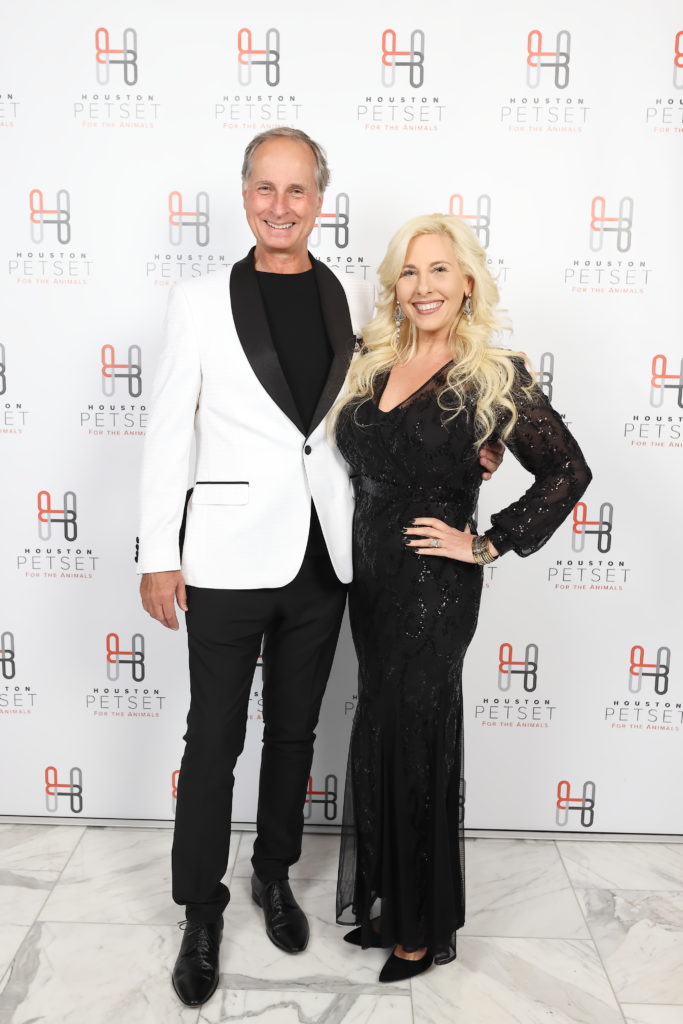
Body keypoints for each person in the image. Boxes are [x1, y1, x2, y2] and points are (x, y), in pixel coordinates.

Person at [138, 129, 505, 1006]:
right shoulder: (197, 301)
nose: (280, 205)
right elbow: (167, 432)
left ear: (318, 201)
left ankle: (273, 875)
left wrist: (476, 450)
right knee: (213, 739)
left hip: (324, 558)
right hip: (223, 555)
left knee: (295, 734)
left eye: (297, 190)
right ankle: (200, 910)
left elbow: (391, 406)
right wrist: (158, 554)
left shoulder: (351, 301)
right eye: (265, 188)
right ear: (244, 195)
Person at [333, 213, 592, 983]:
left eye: (439, 270)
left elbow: (567, 472)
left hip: (433, 590)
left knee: (417, 740)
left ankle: (419, 928)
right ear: (394, 286)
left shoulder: (492, 373)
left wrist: (485, 542)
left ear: (467, 282)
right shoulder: (372, 363)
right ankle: (390, 903)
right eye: (409, 272)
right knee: (381, 731)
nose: (423, 287)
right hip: (371, 582)